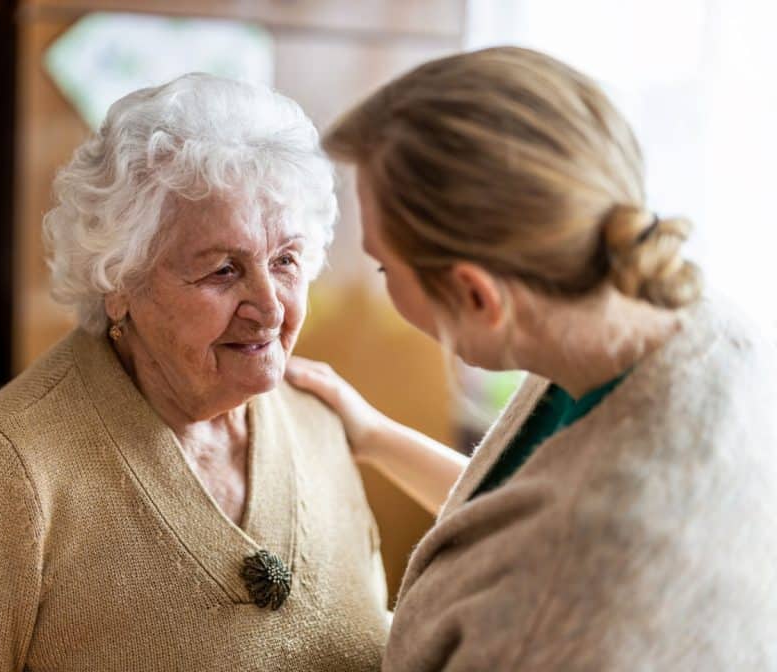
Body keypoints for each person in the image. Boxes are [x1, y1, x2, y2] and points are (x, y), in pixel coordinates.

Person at [0, 73, 389, 672]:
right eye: (223, 270)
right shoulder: (7, 474)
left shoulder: (320, 424)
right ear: (119, 282)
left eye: (285, 261)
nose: (270, 307)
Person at [287, 46, 777, 670]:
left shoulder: (574, 593)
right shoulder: (680, 318)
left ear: (475, 294)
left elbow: (547, 556)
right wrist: (375, 436)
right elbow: (516, 515)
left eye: (383, 265)